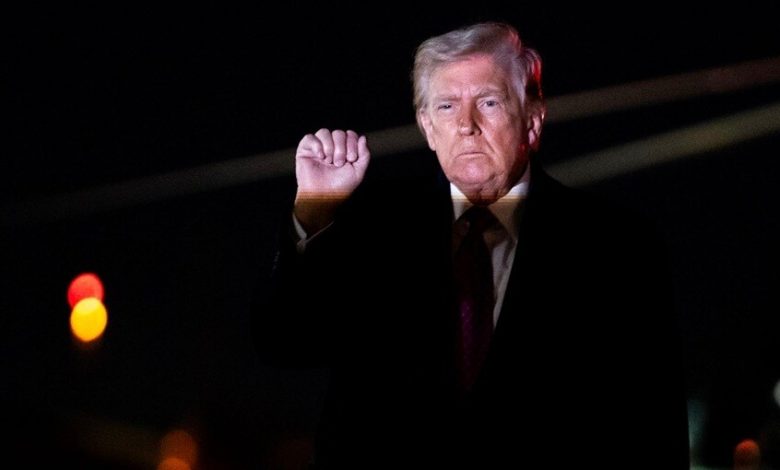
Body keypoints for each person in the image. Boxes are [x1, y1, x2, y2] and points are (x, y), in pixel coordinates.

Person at [253, 21, 690, 469]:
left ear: (533, 120)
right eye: (446, 106)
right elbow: (284, 343)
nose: (467, 125)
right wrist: (315, 208)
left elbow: (656, 423)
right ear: (427, 127)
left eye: (488, 102)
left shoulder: (619, 246)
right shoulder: (372, 229)